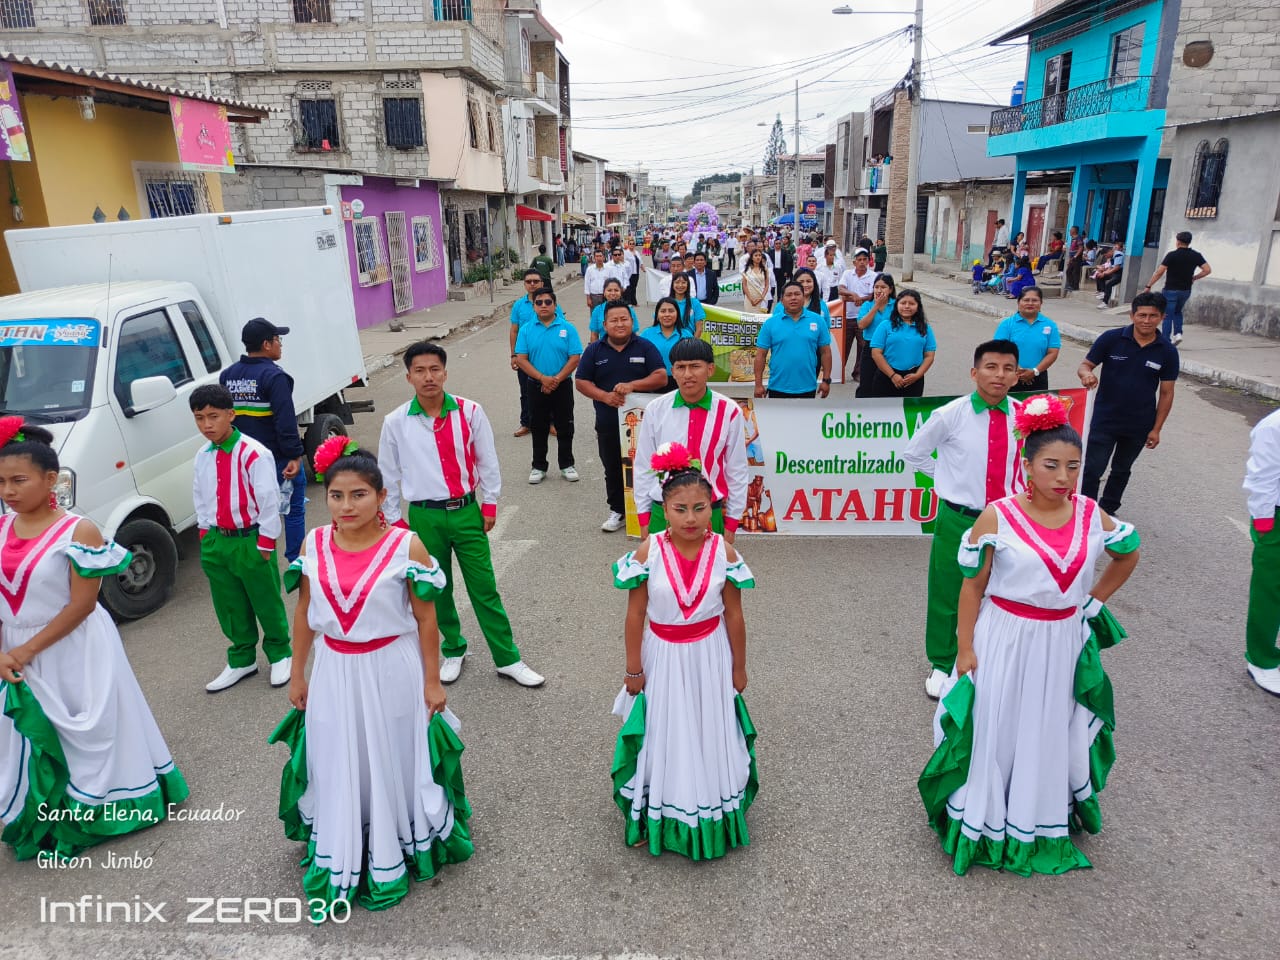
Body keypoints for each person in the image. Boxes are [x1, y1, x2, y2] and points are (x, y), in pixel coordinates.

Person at [918, 393, 1141, 876]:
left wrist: (1093, 602)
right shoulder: (997, 516)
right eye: (1051, 465)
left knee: (1047, 724)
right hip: (1005, 638)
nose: (1063, 477)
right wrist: (964, 648)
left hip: (1061, 642)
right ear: (1027, 466)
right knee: (998, 725)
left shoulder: (1090, 513)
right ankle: (985, 816)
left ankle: (1038, 812)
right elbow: (972, 586)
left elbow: (1128, 553)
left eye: (1073, 467)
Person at [271, 440, 471, 917]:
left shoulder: (407, 545)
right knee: (340, 752)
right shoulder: (313, 543)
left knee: (391, 753)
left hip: (391, 668)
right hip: (334, 670)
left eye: (359, 494)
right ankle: (349, 835)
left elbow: (426, 619)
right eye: (336, 495)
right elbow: (304, 612)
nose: (347, 506)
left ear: (382, 496)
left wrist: (433, 681)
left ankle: (397, 838)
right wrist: (297, 674)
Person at [0, 418, 189, 860]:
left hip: (74, 648)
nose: (8, 491)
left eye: (19, 480)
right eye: (2, 482)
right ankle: (42, 812)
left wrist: (25, 650)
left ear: (51, 479)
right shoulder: (2, 528)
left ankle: (99, 807)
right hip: (14, 652)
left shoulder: (78, 531)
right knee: (31, 733)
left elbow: (82, 604)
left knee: (90, 730)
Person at [610, 444, 757, 859]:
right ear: (665, 509)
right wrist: (634, 668)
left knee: (708, 728)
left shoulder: (724, 552)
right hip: (663, 657)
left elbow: (734, 615)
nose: (690, 518)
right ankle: (655, 808)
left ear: (712, 508)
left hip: (710, 655)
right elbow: (635, 614)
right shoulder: (648, 551)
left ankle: (712, 808)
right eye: (680, 509)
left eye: (699, 508)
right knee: (665, 730)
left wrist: (739, 667)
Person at [379, 341, 545, 688]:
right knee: (436, 588)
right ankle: (453, 649)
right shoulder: (395, 422)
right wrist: (395, 521)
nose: (428, 377)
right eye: (420, 371)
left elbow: (487, 459)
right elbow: (388, 475)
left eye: (434, 369)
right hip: (423, 517)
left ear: (445, 373)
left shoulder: (470, 412)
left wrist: (490, 502)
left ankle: (508, 658)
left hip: (466, 511)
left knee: (484, 587)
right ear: (409, 377)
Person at [904, 340, 1025, 699]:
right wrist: (947, 479)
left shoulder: (1025, 417)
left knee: (1002, 592)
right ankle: (942, 663)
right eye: (991, 367)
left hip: (1008, 522)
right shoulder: (950, 415)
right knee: (947, 591)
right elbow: (915, 453)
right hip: (960, 520)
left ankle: (987, 658)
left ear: (1017, 376)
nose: (999, 375)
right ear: (974, 373)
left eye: (1008, 368)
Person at [191, 384, 293, 693]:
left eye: (214, 416)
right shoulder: (202, 455)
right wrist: (205, 535)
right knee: (229, 603)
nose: (207, 425)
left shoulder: (253, 453)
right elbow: (201, 495)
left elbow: (268, 499)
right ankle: (242, 658)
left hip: (250, 538)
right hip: (217, 540)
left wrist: (266, 541)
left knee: (265, 598)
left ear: (231, 415)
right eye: (199, 418)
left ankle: (280, 653)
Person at [633, 338, 749, 541]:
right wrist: (643, 518)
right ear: (672, 371)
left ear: (710, 369)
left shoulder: (729, 411)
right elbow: (643, 466)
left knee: (710, 564)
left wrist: (732, 522)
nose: (687, 374)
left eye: (695, 366)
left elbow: (737, 469)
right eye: (680, 367)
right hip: (663, 512)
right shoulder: (656, 410)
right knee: (661, 563)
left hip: (709, 513)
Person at [1077, 292, 1178, 515]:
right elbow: (1085, 365)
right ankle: (1086, 511)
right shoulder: (1111, 339)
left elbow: (1167, 393)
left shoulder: (1168, 351)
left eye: (1153, 316)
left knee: (1122, 469)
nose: (1146, 320)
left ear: (1162, 317)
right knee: (1093, 468)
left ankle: (1108, 511)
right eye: (1142, 315)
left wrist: (1156, 429)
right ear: (1132, 315)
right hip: (1104, 419)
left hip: (1139, 424)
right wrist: (1087, 375)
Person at [576, 303, 668, 533]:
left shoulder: (645, 347)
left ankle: (651, 510)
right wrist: (604, 396)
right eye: (614, 320)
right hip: (608, 422)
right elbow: (581, 381)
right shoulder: (594, 350)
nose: (620, 324)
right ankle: (618, 510)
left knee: (647, 466)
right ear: (605, 324)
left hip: (644, 425)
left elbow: (661, 377)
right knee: (613, 467)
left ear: (632, 322)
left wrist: (633, 386)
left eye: (624, 319)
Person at [220, 318, 307, 562]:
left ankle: (260, 557)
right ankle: (296, 561)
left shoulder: (228, 376)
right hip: (276, 459)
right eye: (278, 339)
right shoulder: (274, 377)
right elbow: (284, 421)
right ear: (266, 344)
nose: (280, 344)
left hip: (243, 461)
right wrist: (294, 455)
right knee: (293, 509)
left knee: (254, 513)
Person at [515, 287, 582, 486]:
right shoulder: (526, 329)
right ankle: (538, 466)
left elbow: (575, 357)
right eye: (539, 302)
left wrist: (556, 379)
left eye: (548, 302)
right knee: (538, 426)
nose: (543, 305)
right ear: (534, 306)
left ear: (555, 305)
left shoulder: (567, 328)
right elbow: (521, 359)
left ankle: (567, 464)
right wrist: (542, 378)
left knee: (565, 425)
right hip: (536, 385)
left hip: (562, 385)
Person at [1244, 408, 1280, 695]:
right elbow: (1261, 477)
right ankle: (1261, 660)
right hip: (1275, 519)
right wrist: (1265, 524)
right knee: (1269, 593)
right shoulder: (1273, 426)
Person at [754, 280, 832, 400]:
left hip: (808, 387)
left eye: (797, 294)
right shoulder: (770, 324)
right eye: (789, 295)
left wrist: (826, 380)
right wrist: (758, 384)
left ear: (803, 297)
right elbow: (760, 355)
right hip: (777, 387)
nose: (793, 298)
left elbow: (826, 353)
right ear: (781, 300)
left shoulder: (818, 320)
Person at [510, 268, 565, 438]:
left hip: (546, 355)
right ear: (524, 284)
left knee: (551, 389)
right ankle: (526, 423)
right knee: (526, 391)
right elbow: (514, 330)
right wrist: (513, 355)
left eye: (536, 281)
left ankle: (551, 423)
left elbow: (561, 328)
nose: (532, 284)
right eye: (529, 281)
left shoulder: (551, 303)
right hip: (525, 357)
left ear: (542, 283)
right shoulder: (519, 305)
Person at [1143, 231, 1211, 345]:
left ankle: (1166, 340)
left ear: (1178, 242)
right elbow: (1207, 270)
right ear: (1189, 242)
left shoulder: (1172, 255)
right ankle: (1178, 334)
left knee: (1167, 315)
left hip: (1170, 289)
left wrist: (1149, 285)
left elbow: (1159, 272)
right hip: (1185, 290)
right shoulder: (1196, 255)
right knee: (1178, 311)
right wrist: (1195, 277)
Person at [866, 289, 936, 398]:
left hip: (914, 379)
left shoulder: (925, 328)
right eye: (903, 303)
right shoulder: (885, 325)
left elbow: (929, 356)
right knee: (884, 408)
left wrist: (917, 375)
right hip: (886, 377)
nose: (907, 306)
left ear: (918, 306)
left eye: (912, 304)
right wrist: (892, 375)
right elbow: (876, 353)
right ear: (897, 305)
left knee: (910, 409)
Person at [993, 286, 1060, 390]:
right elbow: (999, 350)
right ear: (1018, 302)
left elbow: (1053, 352)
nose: (1030, 303)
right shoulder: (1007, 324)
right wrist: (1018, 370)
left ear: (1041, 303)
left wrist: (1035, 371)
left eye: (1035, 300)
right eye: (1026, 300)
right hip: (1009, 376)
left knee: (1038, 401)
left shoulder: (1050, 325)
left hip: (1038, 376)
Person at [838, 248, 879, 379]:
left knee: (862, 347)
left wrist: (856, 299)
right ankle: (838, 372)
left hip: (864, 317)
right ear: (854, 262)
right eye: (859, 259)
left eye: (864, 259)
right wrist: (853, 294)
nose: (862, 262)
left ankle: (858, 373)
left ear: (868, 261)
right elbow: (841, 289)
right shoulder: (847, 274)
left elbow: (872, 295)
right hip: (848, 316)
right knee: (844, 346)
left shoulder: (873, 276)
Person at [853, 273, 896, 398]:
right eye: (876, 287)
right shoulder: (867, 305)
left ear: (890, 289)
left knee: (887, 384)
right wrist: (876, 306)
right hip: (870, 348)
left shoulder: (896, 305)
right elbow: (862, 325)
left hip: (890, 348)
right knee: (867, 384)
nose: (879, 290)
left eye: (883, 287)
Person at [640, 297, 687, 392]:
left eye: (671, 311)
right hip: (653, 382)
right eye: (663, 311)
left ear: (677, 314)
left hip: (680, 382)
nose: (667, 314)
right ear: (657, 315)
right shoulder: (646, 334)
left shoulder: (686, 335)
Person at [588, 278, 639, 343]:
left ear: (621, 292)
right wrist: (594, 348)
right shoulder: (597, 310)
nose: (613, 293)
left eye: (616, 290)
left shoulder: (629, 310)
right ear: (604, 293)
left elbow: (634, 333)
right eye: (609, 290)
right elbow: (594, 335)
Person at [669, 271, 707, 339]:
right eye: (677, 282)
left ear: (688, 285)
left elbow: (699, 329)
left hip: (688, 342)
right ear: (672, 284)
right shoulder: (666, 303)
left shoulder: (695, 303)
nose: (680, 285)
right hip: (669, 340)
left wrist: (692, 343)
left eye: (683, 282)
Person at [1093, 241, 1126, 308]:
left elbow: (1116, 268)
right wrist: (1103, 273)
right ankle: (1103, 292)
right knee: (1099, 276)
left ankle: (1105, 303)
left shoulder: (1118, 255)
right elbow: (1110, 268)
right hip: (1114, 272)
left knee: (1109, 284)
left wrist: (1105, 273)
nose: (1105, 257)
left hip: (1119, 273)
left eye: (1105, 255)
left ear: (1109, 252)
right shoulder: (1111, 257)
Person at [741, 248, 773, 315]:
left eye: (759, 255)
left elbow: (767, 285)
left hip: (761, 297)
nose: (758, 257)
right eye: (756, 255)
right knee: (750, 317)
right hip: (750, 298)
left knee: (761, 318)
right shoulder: (747, 269)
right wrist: (750, 299)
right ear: (752, 257)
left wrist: (761, 297)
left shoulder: (765, 269)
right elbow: (744, 285)